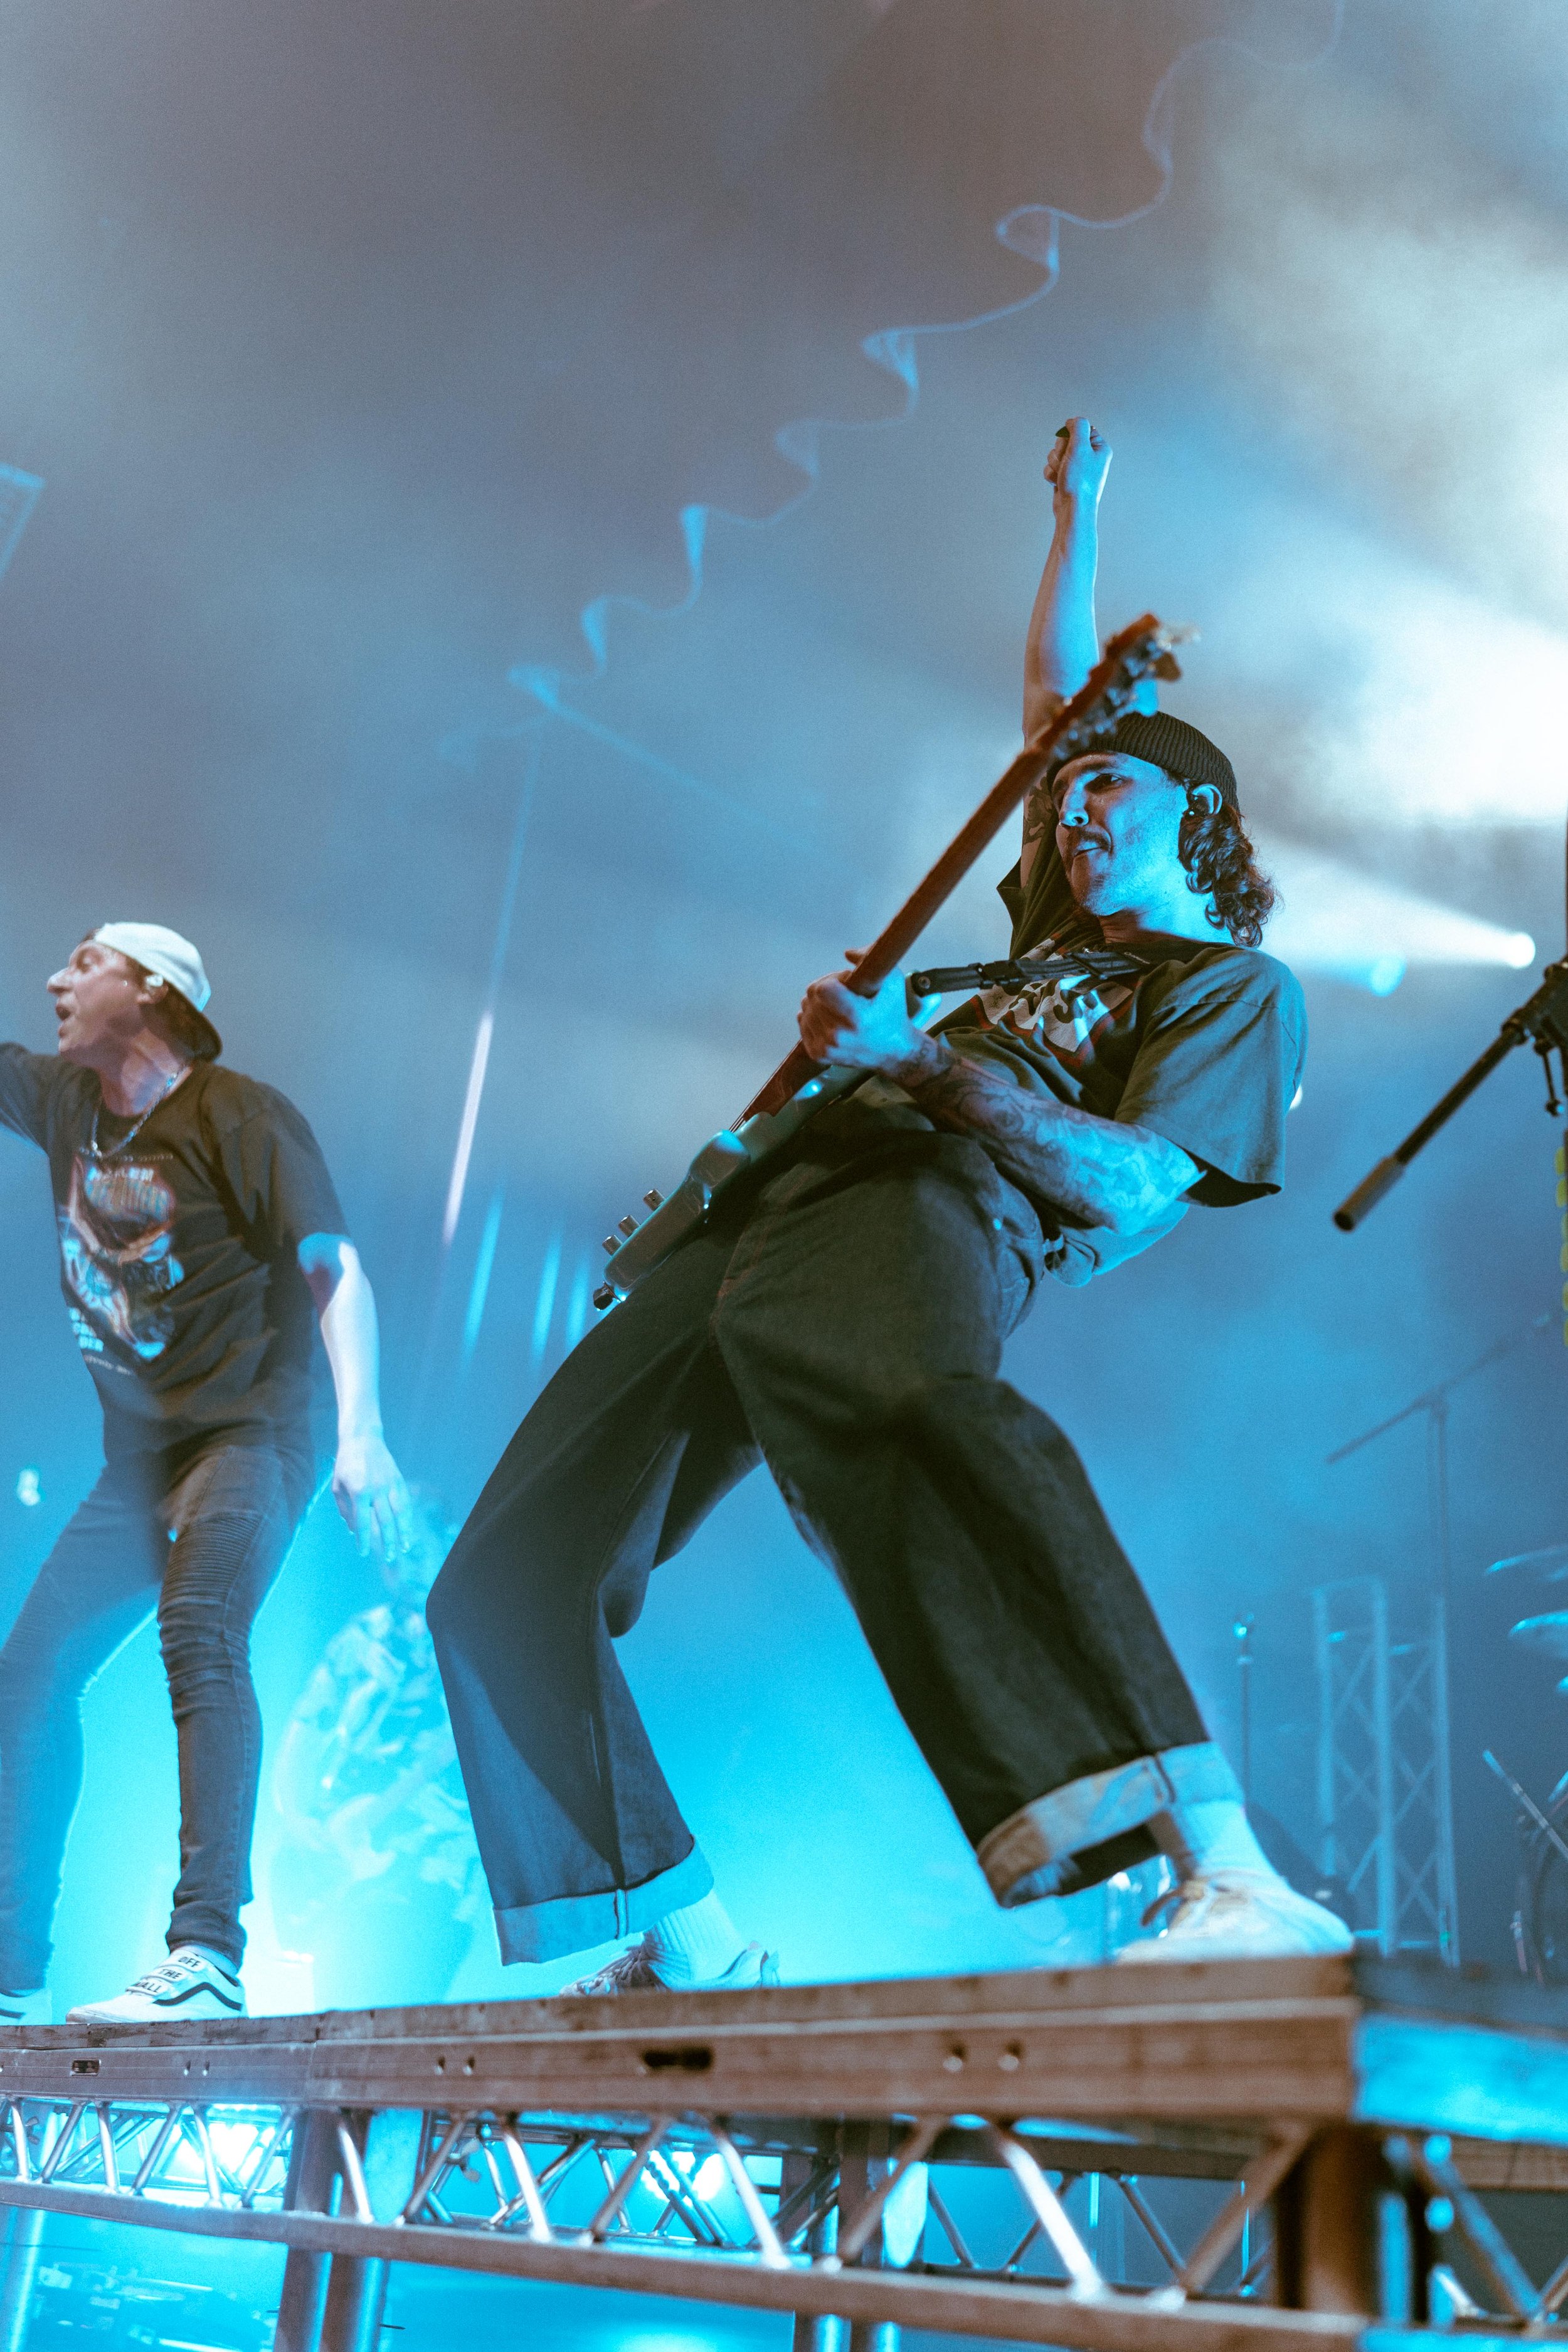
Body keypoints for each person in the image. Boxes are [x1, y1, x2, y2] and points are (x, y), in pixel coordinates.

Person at [426, 417, 1350, 1989]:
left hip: (929, 1197)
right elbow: (1054, 716)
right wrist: (1075, 511)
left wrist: (917, 1060)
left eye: (1109, 786)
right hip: (767, 1209)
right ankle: (687, 1940)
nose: (1072, 807)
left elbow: (1133, 1186)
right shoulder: (1055, 922)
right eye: (1067, 793)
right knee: (507, 1572)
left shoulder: (1225, 986)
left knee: (922, 1418)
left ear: (1194, 812)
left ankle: (1230, 1868)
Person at [0, 924, 412, 2024]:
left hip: (248, 1439)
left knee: (200, 1629)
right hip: (138, 1465)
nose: (57, 979)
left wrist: (364, 1435)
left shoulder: (240, 1114)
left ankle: (207, 1954)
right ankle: (11, 1973)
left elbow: (335, 1268)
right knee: (29, 1673)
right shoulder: (64, 1102)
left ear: (149, 990)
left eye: (84, 963)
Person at [270, 1490, 488, 2010]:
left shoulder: (483, 1636)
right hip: (342, 1863)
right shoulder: (364, 1634)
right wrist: (295, 1816)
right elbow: (307, 1725)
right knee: (336, 2015)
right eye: (391, 1559)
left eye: (415, 1553)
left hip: (434, 1862)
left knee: (402, 2011)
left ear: (449, 1543)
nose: (401, 1570)